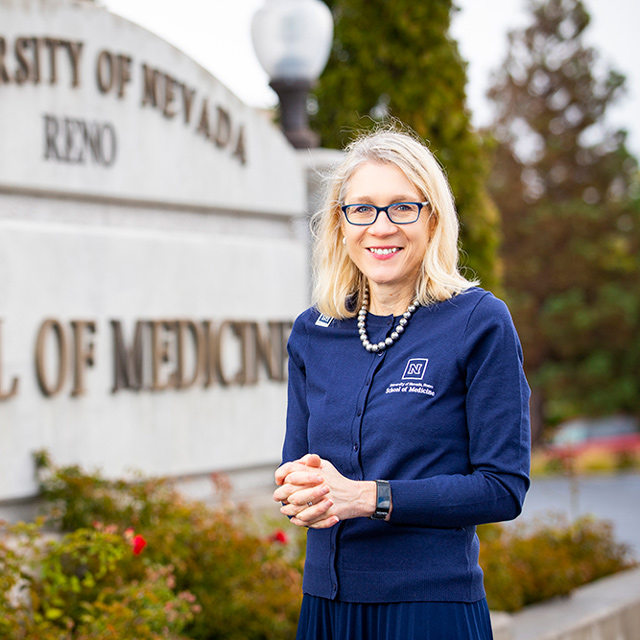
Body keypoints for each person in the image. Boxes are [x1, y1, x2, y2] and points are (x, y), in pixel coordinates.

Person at [273, 127, 531, 640]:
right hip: (326, 607)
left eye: (402, 208)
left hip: (428, 609)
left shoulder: (479, 322)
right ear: (340, 224)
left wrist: (369, 497)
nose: (380, 226)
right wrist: (296, 490)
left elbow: (503, 488)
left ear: (432, 218)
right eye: (362, 209)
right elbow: (296, 469)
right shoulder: (312, 331)